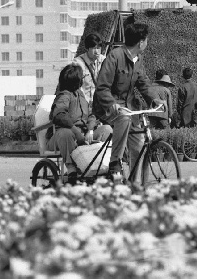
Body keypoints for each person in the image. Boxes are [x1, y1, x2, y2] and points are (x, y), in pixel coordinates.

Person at [93, 22, 165, 180]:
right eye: (146, 40)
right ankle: (115, 161)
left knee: (139, 149)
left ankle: (137, 186)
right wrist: (113, 105)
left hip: (130, 108)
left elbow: (143, 83)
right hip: (108, 108)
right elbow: (102, 87)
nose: (147, 43)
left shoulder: (137, 59)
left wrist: (154, 99)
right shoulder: (115, 56)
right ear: (141, 42)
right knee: (124, 117)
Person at [47, 64, 112, 185]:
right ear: (76, 80)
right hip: (61, 138)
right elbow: (58, 115)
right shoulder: (64, 95)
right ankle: (71, 167)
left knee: (107, 129)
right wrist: (76, 132)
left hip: (83, 133)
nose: (84, 78)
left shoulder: (81, 95)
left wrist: (90, 130)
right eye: (82, 77)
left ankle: (105, 164)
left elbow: (92, 114)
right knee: (66, 133)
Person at [70, 33, 105, 107]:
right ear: (87, 48)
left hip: (99, 104)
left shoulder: (104, 60)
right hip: (83, 105)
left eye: (98, 48)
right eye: (94, 48)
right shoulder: (78, 63)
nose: (97, 51)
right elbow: (75, 88)